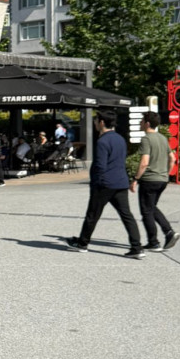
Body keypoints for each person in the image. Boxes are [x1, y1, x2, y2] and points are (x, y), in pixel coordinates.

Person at [67, 110, 142, 257]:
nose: (95, 123)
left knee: (92, 214)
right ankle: (137, 247)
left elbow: (100, 166)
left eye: (96, 120)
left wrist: (95, 183)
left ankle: (82, 243)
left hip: (104, 184)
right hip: (121, 182)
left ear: (101, 122)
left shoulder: (102, 141)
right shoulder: (120, 139)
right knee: (126, 215)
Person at [129, 111, 179, 250]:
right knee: (151, 207)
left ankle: (154, 242)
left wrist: (135, 179)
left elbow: (144, 162)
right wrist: (166, 174)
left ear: (147, 123)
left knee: (146, 211)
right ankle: (169, 232)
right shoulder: (162, 138)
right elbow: (172, 158)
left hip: (149, 180)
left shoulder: (146, 139)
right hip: (162, 179)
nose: (140, 123)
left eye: (141, 121)